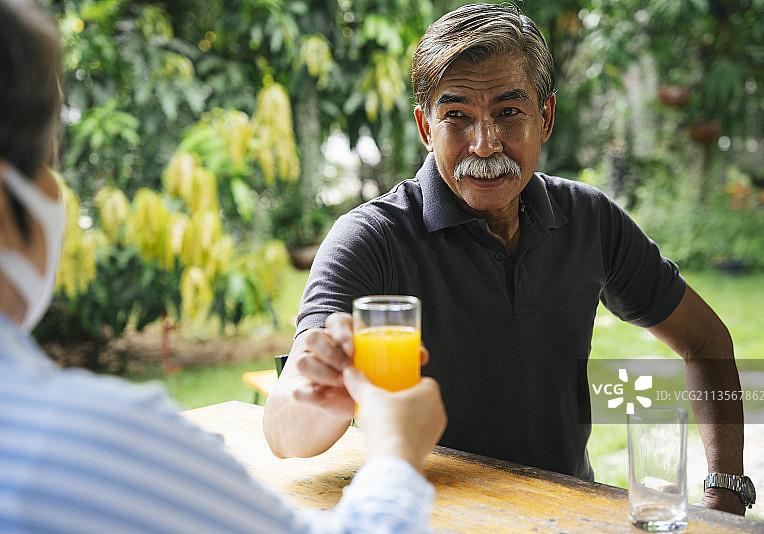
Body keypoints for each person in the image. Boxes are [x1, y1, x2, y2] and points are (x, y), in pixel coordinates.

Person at [264, 2, 753, 516]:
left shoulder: (589, 219)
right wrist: (321, 398)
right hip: (424, 520)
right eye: (457, 116)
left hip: (563, 515)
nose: (485, 142)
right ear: (425, 127)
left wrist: (724, 490)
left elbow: (704, 340)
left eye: (508, 111)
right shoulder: (371, 239)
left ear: (545, 116)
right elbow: (283, 428)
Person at [0, 1, 446, 532]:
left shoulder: (573, 213)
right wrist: (396, 452)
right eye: (50, 161)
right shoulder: (88, 447)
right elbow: (285, 427)